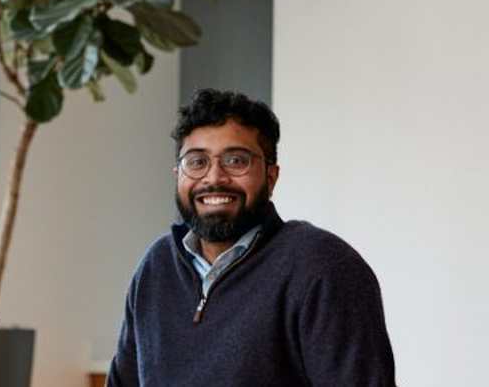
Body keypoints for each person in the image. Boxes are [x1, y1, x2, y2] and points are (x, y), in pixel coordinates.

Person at [107, 89, 396, 386]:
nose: (214, 177)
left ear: (271, 176)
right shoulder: (156, 267)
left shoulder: (323, 267)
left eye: (235, 160)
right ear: (177, 174)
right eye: (197, 162)